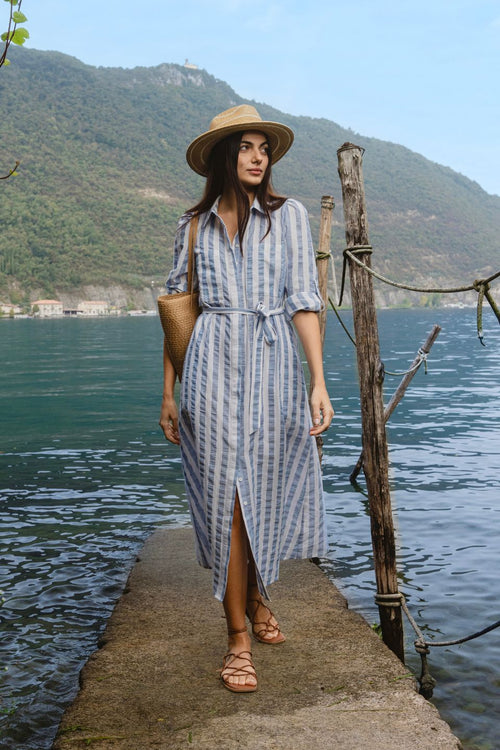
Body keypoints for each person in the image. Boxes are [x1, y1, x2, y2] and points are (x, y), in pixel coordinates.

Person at [160, 104, 334, 693]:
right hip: (209, 369)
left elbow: (303, 301)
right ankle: (237, 636)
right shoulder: (192, 227)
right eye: (246, 147)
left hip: (274, 368)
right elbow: (177, 312)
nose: (258, 157)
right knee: (226, 501)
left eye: (264, 148)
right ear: (221, 157)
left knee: (262, 493)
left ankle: (258, 593)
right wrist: (168, 394)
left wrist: (318, 380)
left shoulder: (289, 218)